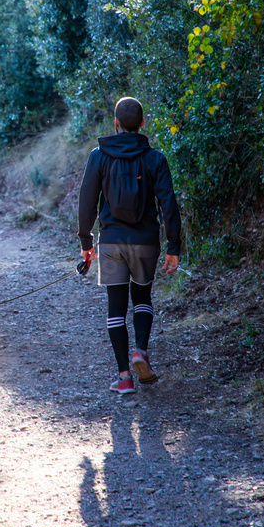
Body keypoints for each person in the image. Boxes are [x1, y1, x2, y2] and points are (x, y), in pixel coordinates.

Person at [77, 96, 181, 394]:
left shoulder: (99, 156)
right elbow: (168, 204)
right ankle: (141, 352)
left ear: (116, 123)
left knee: (115, 308)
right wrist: (173, 245)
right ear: (142, 124)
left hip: (111, 241)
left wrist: (87, 242)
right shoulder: (155, 159)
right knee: (143, 296)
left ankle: (124, 376)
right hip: (146, 240)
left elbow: (87, 203)